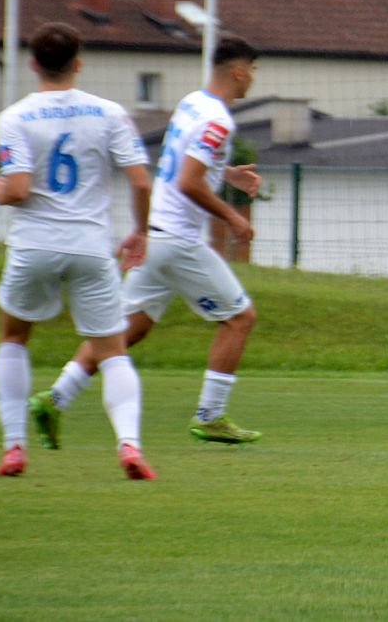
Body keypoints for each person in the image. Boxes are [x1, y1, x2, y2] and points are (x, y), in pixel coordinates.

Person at [29, 36, 264, 447]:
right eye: (254, 71)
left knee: (126, 332)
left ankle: (55, 398)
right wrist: (233, 217)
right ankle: (210, 416)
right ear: (239, 72)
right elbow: (189, 181)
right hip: (177, 240)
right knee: (240, 318)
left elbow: (184, 163)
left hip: (155, 236)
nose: (254, 79)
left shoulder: (193, 103)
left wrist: (227, 174)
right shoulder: (219, 121)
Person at [0, 22, 155, 480]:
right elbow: (141, 182)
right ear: (78, 64)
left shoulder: (15, 117)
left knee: (14, 338)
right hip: (90, 246)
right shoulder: (109, 113)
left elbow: (17, 189)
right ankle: (129, 445)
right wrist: (141, 231)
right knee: (112, 351)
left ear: (33, 64)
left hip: (34, 245)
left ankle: (14, 448)